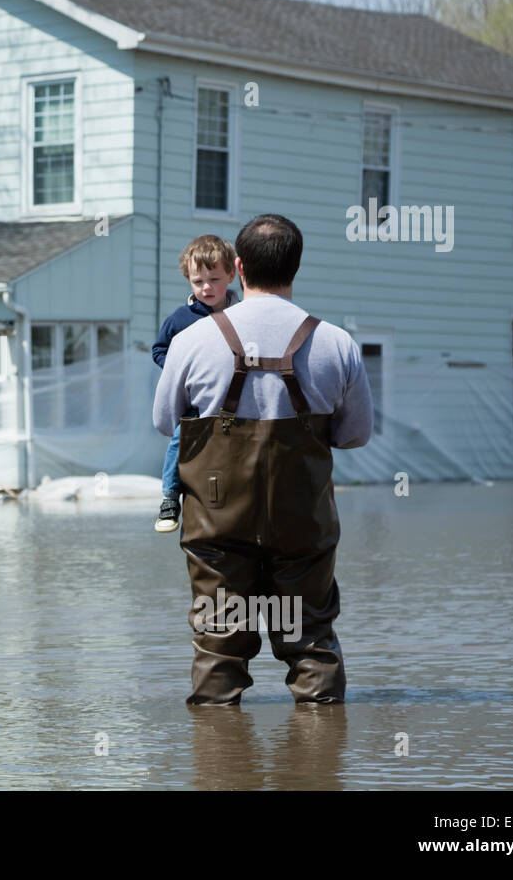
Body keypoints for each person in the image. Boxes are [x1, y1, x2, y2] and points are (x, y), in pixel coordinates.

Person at [153, 214, 373, 705]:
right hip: (302, 519)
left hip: (216, 518)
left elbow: (167, 423)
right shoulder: (337, 343)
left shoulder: (191, 340)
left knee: (219, 641)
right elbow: (355, 435)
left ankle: (219, 764)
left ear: (238, 267)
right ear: (295, 267)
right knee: (311, 638)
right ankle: (317, 764)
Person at [151, 236, 241, 533]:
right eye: (197, 281)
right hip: (196, 403)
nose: (206, 288)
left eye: (214, 279)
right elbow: (159, 350)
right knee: (179, 437)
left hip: (237, 402)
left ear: (232, 274)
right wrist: (181, 370)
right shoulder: (180, 319)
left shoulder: (242, 314)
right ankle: (169, 498)